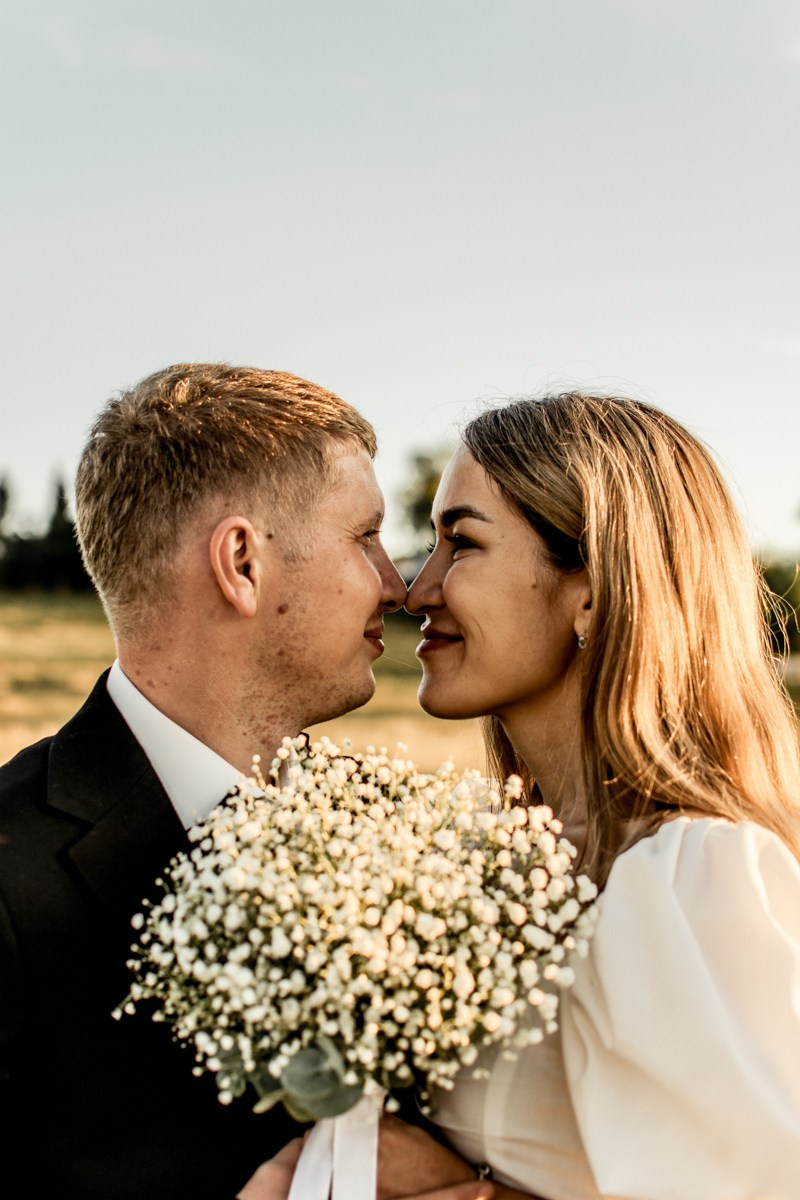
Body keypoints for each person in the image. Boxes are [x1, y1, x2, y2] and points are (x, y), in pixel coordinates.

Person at [372, 392, 800, 1199]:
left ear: (594, 590)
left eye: (460, 544)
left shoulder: (693, 875)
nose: (414, 589)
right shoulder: (488, 860)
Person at [0, 363, 408, 1200]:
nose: (397, 585)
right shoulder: (9, 878)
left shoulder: (401, 832)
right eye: (365, 537)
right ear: (242, 563)